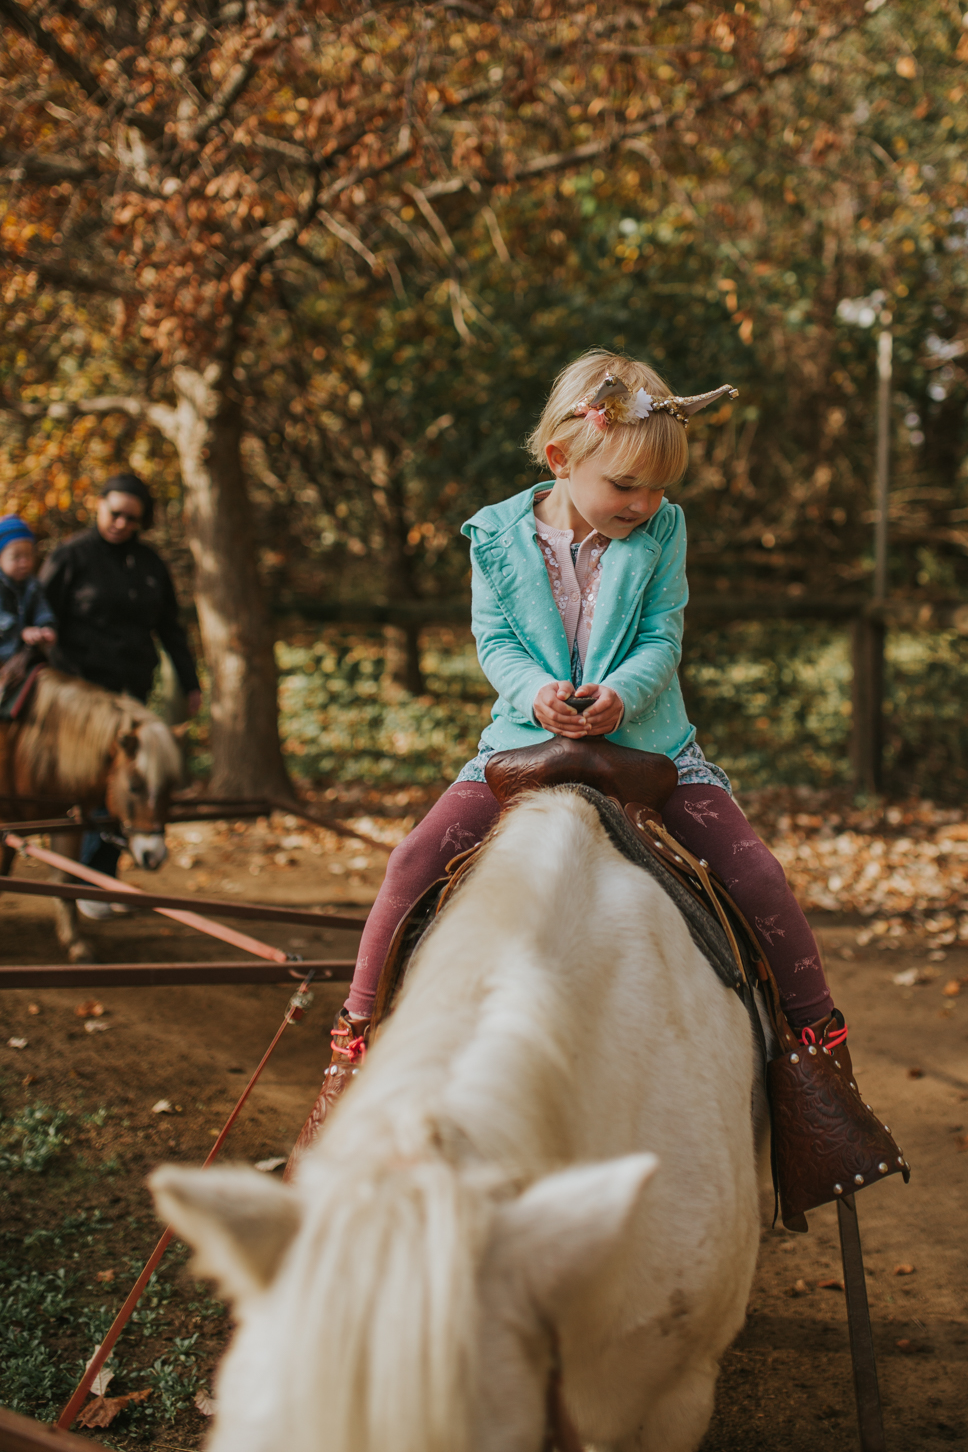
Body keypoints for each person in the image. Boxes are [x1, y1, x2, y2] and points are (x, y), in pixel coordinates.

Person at [291, 350, 840, 1154]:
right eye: (625, 486)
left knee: (756, 873)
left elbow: (662, 634)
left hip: (648, 745)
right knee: (410, 863)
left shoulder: (664, 530)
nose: (645, 504)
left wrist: (622, 693)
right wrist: (533, 694)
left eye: (659, 489)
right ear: (562, 458)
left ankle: (820, 1061)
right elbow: (495, 640)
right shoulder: (495, 535)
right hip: (525, 742)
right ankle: (353, 1046)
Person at [40, 474, 201, 915]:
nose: (121, 523)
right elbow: (41, 619)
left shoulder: (150, 564)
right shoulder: (70, 557)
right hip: (79, 697)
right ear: (99, 506)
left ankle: (100, 877)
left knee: (130, 783)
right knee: (94, 786)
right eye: (114, 513)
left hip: (131, 695)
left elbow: (169, 627)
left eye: (132, 518)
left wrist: (190, 682)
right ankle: (84, 881)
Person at [0, 516, 57, 717]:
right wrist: (21, 631)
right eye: (16, 557)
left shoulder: (32, 585)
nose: (24, 562)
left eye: (28, 555)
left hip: (20, 654)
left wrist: (47, 626)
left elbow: (42, 608)